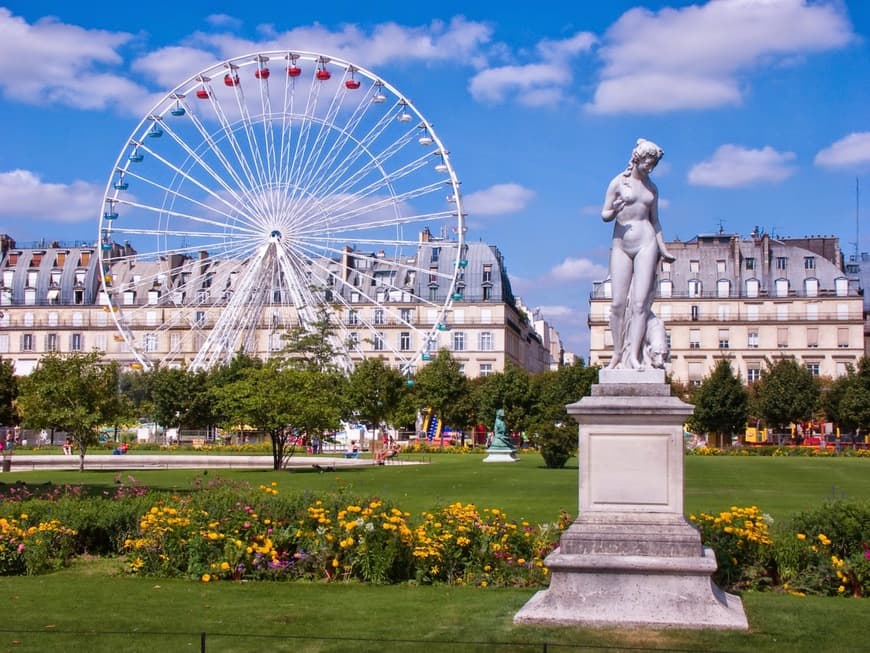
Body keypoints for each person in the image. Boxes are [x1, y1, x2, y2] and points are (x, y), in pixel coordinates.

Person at [600, 138, 674, 370]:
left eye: (653, 165)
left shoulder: (652, 188)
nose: (650, 169)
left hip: (647, 242)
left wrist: (664, 249)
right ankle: (616, 354)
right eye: (647, 164)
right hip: (622, 244)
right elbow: (604, 214)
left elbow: (655, 221)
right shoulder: (618, 182)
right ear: (637, 159)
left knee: (641, 304)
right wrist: (614, 210)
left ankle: (634, 355)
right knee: (617, 304)